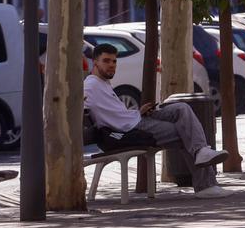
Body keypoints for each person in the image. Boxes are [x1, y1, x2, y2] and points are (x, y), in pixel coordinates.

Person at [84, 43, 231, 198]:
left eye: (114, 61)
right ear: (95, 62)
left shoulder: (102, 83)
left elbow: (116, 113)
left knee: (181, 108)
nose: (112, 65)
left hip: (136, 119)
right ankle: (205, 184)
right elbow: (80, 101)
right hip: (130, 130)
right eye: (106, 61)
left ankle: (202, 152)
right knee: (185, 131)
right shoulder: (90, 86)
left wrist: (138, 112)